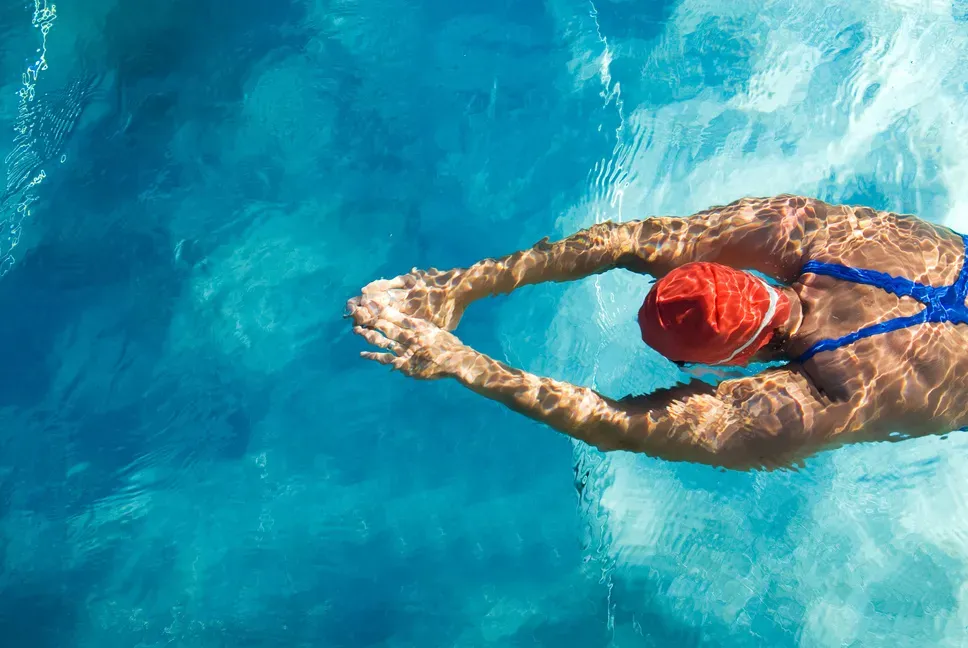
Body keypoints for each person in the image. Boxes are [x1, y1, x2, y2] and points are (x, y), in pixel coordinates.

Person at [346, 195, 968, 470]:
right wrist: (461, 285)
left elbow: (615, 423)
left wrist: (458, 362)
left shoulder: (823, 400)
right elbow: (629, 241)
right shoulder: (819, 235)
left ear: (736, 359)